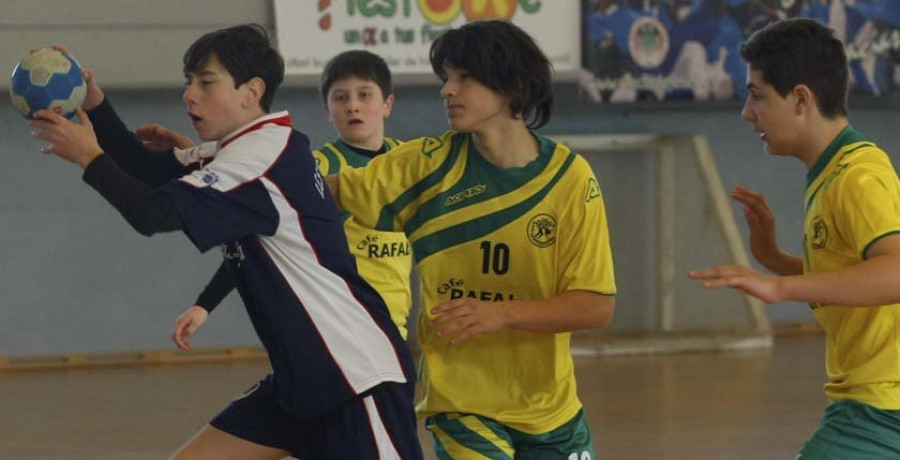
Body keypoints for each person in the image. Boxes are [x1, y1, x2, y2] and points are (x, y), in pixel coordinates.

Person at [28, 24, 421, 459]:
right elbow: (145, 167)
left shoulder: (258, 157)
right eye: (188, 82)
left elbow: (152, 214)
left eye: (205, 82)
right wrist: (94, 102)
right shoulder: (240, 148)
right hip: (299, 382)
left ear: (251, 92)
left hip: (354, 377)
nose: (189, 95)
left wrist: (87, 156)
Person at [326, 20, 617, 459]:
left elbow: (596, 305)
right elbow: (318, 192)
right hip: (462, 405)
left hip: (550, 411)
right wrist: (210, 160)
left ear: (512, 85)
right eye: (446, 78)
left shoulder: (570, 179)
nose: (447, 90)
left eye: (464, 77)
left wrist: (501, 314)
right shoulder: (425, 166)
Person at [688, 18, 900, 458]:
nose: (748, 113)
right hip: (868, 404)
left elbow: (895, 272)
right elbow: (851, 278)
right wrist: (775, 259)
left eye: (757, 96)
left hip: (883, 410)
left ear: (801, 98)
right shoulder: (830, 172)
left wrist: (781, 287)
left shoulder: (857, 176)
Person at [164, 49, 414, 348]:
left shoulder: (408, 162)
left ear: (387, 104)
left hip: (396, 322)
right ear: (327, 109)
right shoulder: (312, 167)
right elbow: (253, 239)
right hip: (341, 323)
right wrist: (206, 303)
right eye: (340, 98)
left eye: (364, 95)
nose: (353, 107)